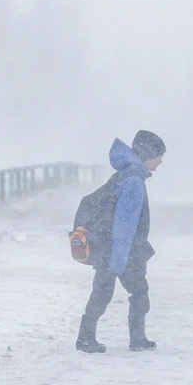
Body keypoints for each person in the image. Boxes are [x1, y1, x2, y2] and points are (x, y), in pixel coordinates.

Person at [75, 130, 166, 353]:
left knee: (102, 292)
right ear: (147, 155)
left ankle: (86, 337)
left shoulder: (125, 175)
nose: (160, 161)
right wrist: (118, 261)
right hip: (123, 251)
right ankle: (137, 339)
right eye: (158, 156)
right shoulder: (134, 182)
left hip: (109, 247)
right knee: (138, 292)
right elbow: (124, 225)